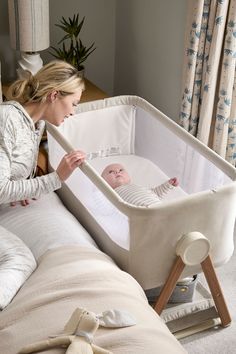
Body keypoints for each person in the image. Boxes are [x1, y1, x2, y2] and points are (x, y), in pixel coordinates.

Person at [0, 60, 86, 206]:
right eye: (73, 104)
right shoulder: (7, 119)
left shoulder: (38, 124)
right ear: (53, 95)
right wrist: (57, 178)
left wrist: (22, 189)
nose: (73, 112)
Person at [101, 163, 179, 207]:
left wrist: (168, 185)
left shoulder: (137, 187)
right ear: (102, 181)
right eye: (110, 172)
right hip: (141, 214)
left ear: (129, 177)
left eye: (121, 170)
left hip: (159, 208)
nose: (117, 172)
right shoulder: (110, 194)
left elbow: (156, 193)